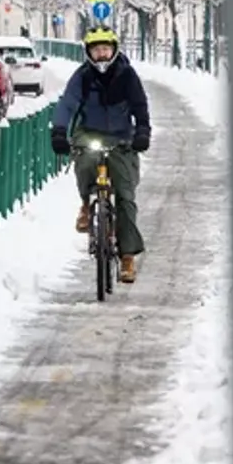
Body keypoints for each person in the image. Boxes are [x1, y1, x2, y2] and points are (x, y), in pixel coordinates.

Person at [50, 26, 152, 283]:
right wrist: (59, 132)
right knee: (84, 160)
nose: (102, 55)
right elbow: (67, 104)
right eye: (97, 50)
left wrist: (142, 133)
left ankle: (127, 257)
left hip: (121, 137)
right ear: (89, 53)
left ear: (114, 50)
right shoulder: (83, 76)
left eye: (106, 49)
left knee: (126, 197)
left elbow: (140, 106)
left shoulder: (127, 75)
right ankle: (86, 204)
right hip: (90, 132)